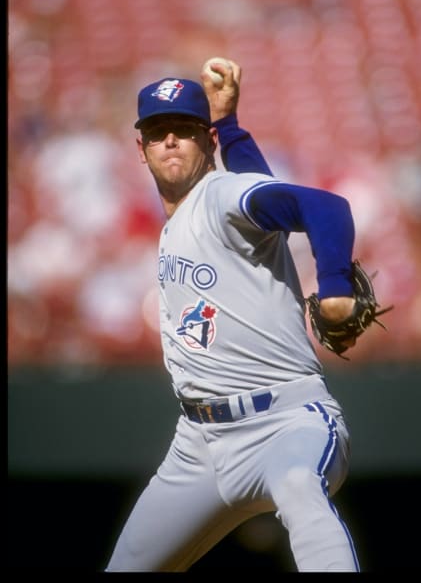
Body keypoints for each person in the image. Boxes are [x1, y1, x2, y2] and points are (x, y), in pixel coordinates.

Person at [105, 59, 360, 572]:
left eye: (185, 130)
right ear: (142, 149)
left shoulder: (218, 194)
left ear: (206, 143)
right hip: (199, 444)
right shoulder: (192, 215)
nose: (171, 140)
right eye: (157, 132)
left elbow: (326, 208)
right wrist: (231, 123)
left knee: (300, 491)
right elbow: (261, 200)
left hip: (284, 423)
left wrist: (333, 285)